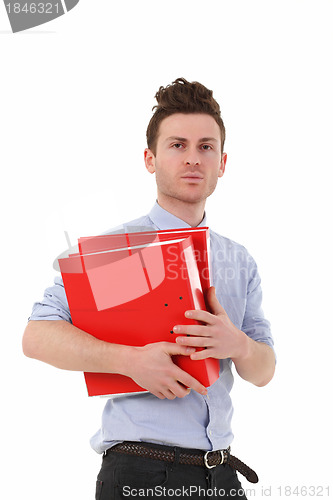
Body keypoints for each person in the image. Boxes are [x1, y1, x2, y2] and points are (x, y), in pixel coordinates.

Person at [23, 78, 275, 499]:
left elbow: (264, 371)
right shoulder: (117, 252)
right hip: (140, 472)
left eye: (205, 147)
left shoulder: (238, 260)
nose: (193, 158)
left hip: (222, 476)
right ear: (150, 159)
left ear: (223, 162)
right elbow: (36, 335)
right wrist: (128, 361)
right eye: (177, 145)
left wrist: (240, 345)